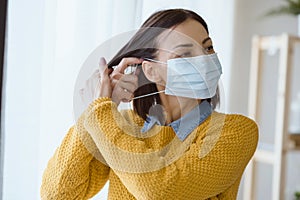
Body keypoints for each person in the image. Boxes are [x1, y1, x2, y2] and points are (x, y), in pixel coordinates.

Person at [40, 8, 258, 200]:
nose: (203, 58)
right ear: (151, 71)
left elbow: (161, 191)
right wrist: (95, 111)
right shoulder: (120, 125)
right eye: (184, 54)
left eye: (208, 47)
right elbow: (57, 194)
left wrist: (99, 114)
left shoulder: (235, 131)